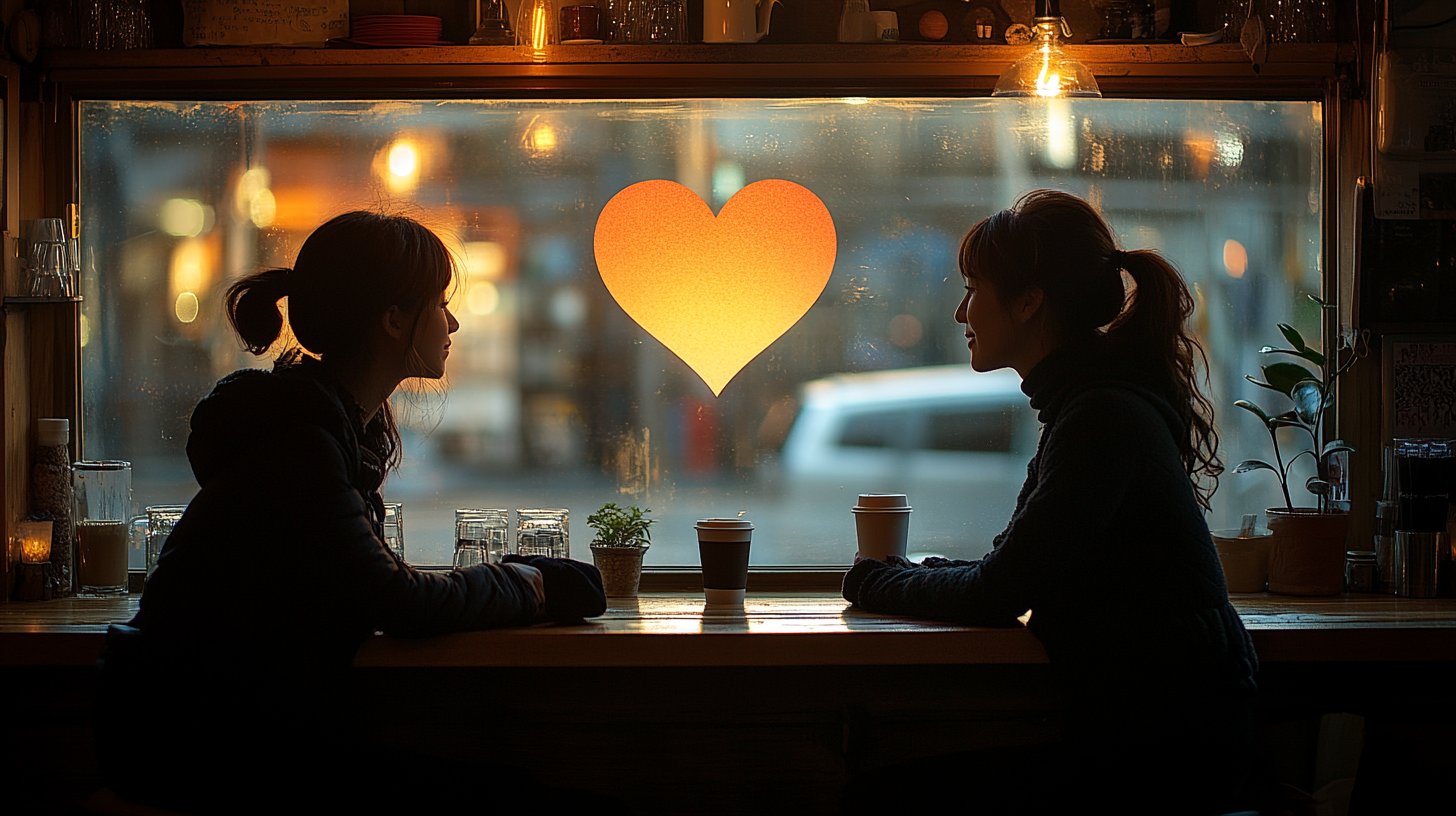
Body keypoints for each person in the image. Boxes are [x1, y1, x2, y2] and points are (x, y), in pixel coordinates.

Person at [94, 211, 608, 813]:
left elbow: (367, 584)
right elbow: (396, 599)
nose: (455, 321)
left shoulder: (313, 429)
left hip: (213, 739)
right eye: (439, 303)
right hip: (205, 755)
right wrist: (535, 585)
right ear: (392, 320)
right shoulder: (298, 445)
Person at [841, 190, 1259, 815]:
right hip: (1154, 740)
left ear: (1030, 301)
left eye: (973, 288)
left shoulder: (1100, 418)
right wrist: (909, 576)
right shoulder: (1088, 405)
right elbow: (1013, 568)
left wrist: (874, 583)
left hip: (1163, 763)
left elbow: (1000, 588)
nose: (961, 312)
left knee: (878, 796)